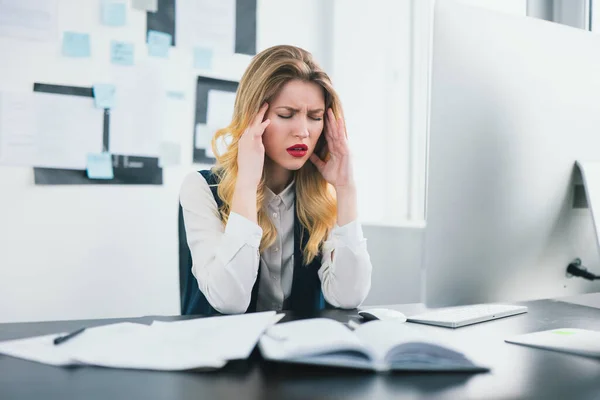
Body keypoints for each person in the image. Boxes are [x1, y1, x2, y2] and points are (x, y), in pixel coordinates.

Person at [179, 44, 372, 315]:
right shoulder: (200, 188)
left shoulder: (320, 195)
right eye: (286, 115)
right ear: (252, 117)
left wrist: (346, 188)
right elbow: (229, 301)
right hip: (223, 354)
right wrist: (247, 182)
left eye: (315, 117)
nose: (303, 131)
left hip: (299, 353)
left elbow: (349, 297)